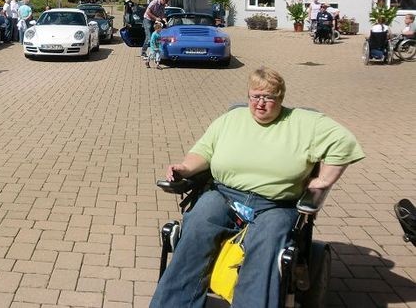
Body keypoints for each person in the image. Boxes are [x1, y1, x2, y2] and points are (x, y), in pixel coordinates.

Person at [150, 67, 364, 308]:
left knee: (266, 245)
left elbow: (344, 142)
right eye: (255, 96)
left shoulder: (304, 123)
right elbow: (203, 151)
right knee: (197, 226)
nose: (260, 103)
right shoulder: (231, 119)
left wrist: (323, 181)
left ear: (280, 98)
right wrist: (185, 168)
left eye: (268, 97)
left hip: (276, 205)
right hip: (224, 195)